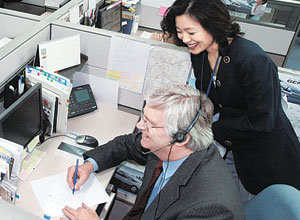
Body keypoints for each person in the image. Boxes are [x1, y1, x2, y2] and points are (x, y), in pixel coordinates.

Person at [160, 0, 300, 196]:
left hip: (265, 155)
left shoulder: (253, 60)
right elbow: (210, 98)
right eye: (179, 31)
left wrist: (208, 130)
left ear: (213, 25)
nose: (185, 38)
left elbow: (261, 122)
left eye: (191, 32)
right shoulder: (200, 53)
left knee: (259, 206)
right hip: (233, 145)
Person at [60, 84, 244, 220]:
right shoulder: (170, 147)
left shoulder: (210, 209)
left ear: (180, 138)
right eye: (143, 118)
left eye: (149, 123)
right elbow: (126, 144)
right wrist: (89, 165)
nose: (140, 126)